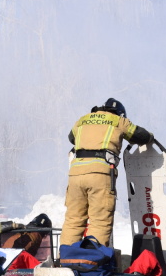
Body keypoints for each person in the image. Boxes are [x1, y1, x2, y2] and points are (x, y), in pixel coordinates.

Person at [60, 98, 154, 247]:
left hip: (75, 175)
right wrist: (151, 137)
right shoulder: (118, 120)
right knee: (99, 221)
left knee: (73, 219)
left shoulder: (82, 120)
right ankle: (92, 262)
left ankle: (64, 259)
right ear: (120, 113)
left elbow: (71, 138)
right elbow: (141, 136)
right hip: (100, 174)